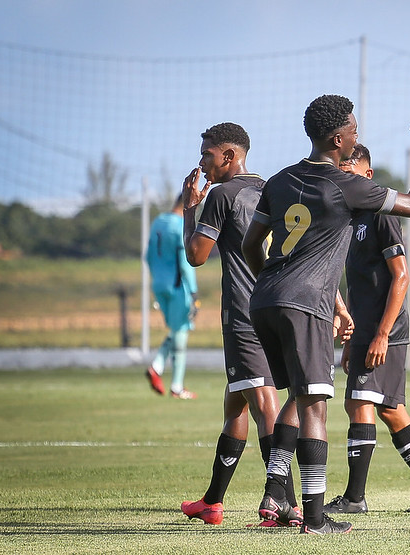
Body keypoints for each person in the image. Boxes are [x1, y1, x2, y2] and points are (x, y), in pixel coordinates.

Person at [241, 94, 410, 535]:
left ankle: (277, 496)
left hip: (263, 299)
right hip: (304, 305)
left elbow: (250, 246)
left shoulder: (280, 180)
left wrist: (277, 283)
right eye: (354, 131)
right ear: (339, 139)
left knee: (298, 398)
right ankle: (316, 520)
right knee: (316, 405)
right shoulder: (345, 184)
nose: (357, 136)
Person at [179, 122, 300, 527]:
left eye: (207, 155)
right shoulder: (274, 190)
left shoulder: (221, 195)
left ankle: (284, 503)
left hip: (245, 314)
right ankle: (212, 501)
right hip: (281, 307)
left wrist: (189, 208)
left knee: (263, 402)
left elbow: (197, 255)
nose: (201, 162)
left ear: (229, 156)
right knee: (236, 401)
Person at [323, 144, 410, 516]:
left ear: (367, 175)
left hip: (387, 330)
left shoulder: (381, 216)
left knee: (359, 403)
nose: (342, 175)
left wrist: (381, 334)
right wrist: (354, 339)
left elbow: (401, 277)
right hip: (366, 330)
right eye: (338, 169)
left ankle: (353, 499)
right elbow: (359, 284)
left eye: (349, 169)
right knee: (391, 410)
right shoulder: (347, 222)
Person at [145, 192, 199, 400]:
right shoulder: (179, 225)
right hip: (178, 286)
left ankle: (157, 367)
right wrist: (193, 291)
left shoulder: (158, 222)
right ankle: (176, 386)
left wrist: (158, 278)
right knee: (182, 332)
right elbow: (185, 261)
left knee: (176, 330)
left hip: (159, 285)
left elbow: (148, 256)